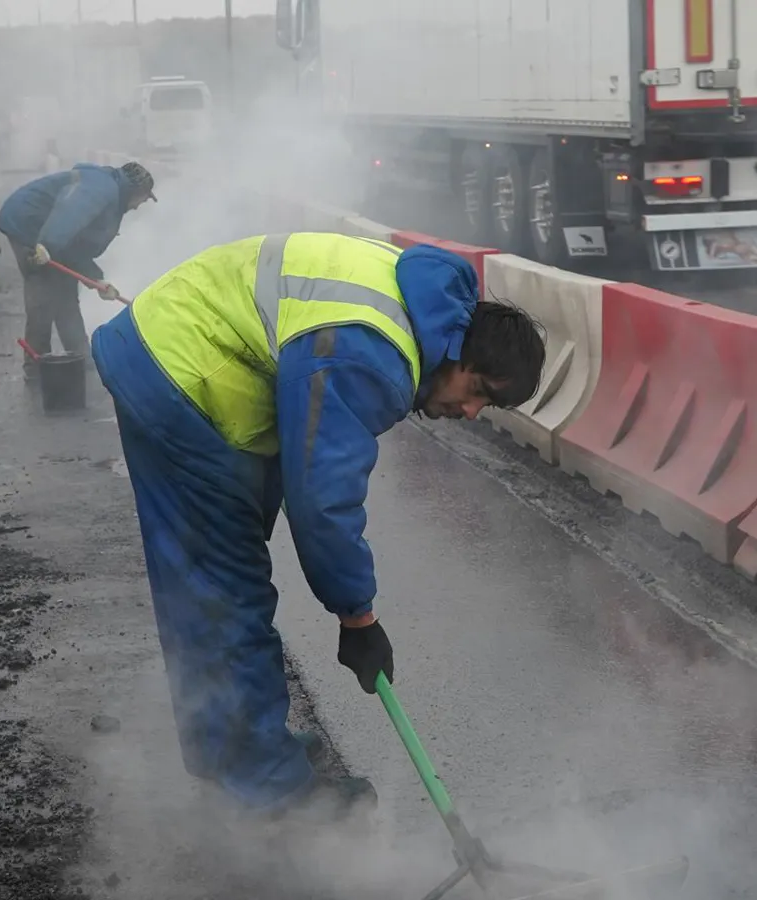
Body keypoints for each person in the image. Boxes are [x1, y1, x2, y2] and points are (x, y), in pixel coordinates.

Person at [90, 233, 546, 821]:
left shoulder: (423, 301)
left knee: (223, 573)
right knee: (224, 585)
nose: (471, 412)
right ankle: (272, 793)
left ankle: (233, 746)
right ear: (459, 350)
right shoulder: (373, 358)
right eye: (477, 391)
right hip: (182, 377)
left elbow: (310, 469)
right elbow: (323, 505)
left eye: (489, 407)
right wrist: (358, 617)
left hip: (195, 358)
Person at [0, 161, 155, 379]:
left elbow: (76, 246)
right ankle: (36, 367)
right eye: (142, 200)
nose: (137, 206)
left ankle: (81, 357)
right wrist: (47, 245)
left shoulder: (111, 194)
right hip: (29, 226)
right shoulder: (101, 188)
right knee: (42, 295)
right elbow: (69, 213)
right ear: (135, 191)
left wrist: (97, 281)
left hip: (50, 235)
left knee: (66, 293)